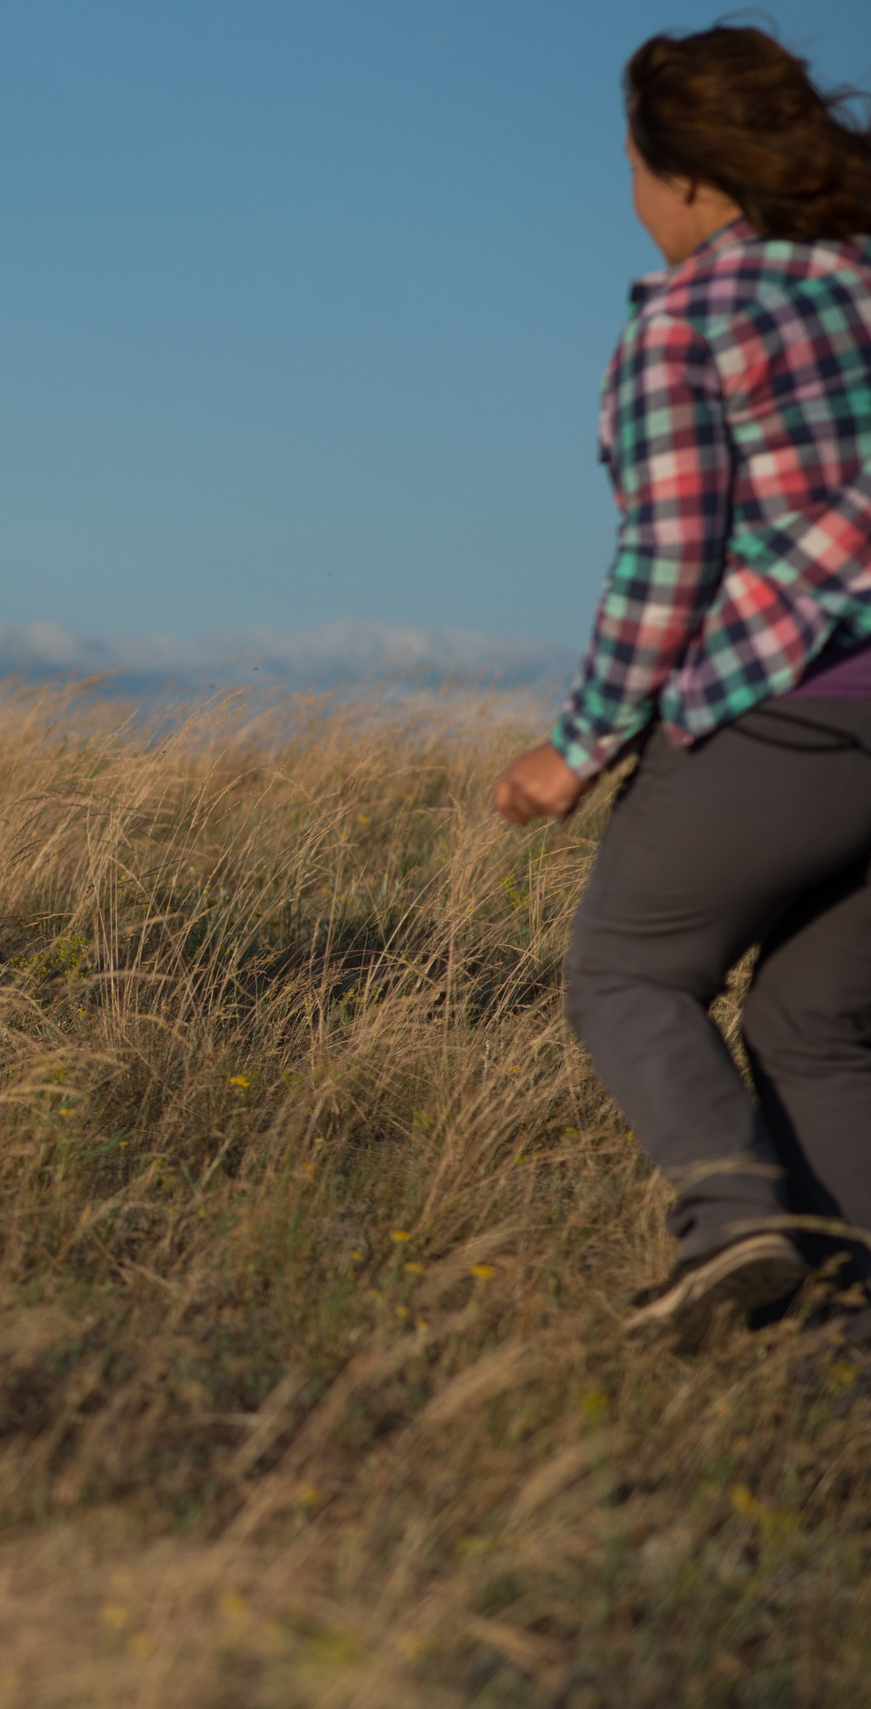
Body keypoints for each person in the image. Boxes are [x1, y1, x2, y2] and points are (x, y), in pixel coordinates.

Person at [494, 25, 871, 1352]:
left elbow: (670, 557)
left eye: (639, 168)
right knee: (812, 1022)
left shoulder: (692, 326)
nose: (635, 194)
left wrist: (577, 748)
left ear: (698, 184)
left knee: (624, 975)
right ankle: (848, 1338)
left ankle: (735, 1226)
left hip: (794, 707)